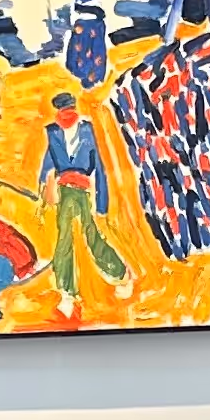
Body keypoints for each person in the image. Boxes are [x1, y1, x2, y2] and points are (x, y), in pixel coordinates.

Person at [38, 90, 131, 317]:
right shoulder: (52, 132)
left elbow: (98, 166)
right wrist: (45, 186)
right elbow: (48, 162)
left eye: (69, 111)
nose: (66, 115)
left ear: (74, 110)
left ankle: (119, 274)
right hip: (64, 191)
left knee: (91, 234)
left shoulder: (88, 130)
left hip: (84, 190)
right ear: (58, 113)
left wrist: (101, 203)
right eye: (62, 112)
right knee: (64, 239)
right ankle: (67, 292)